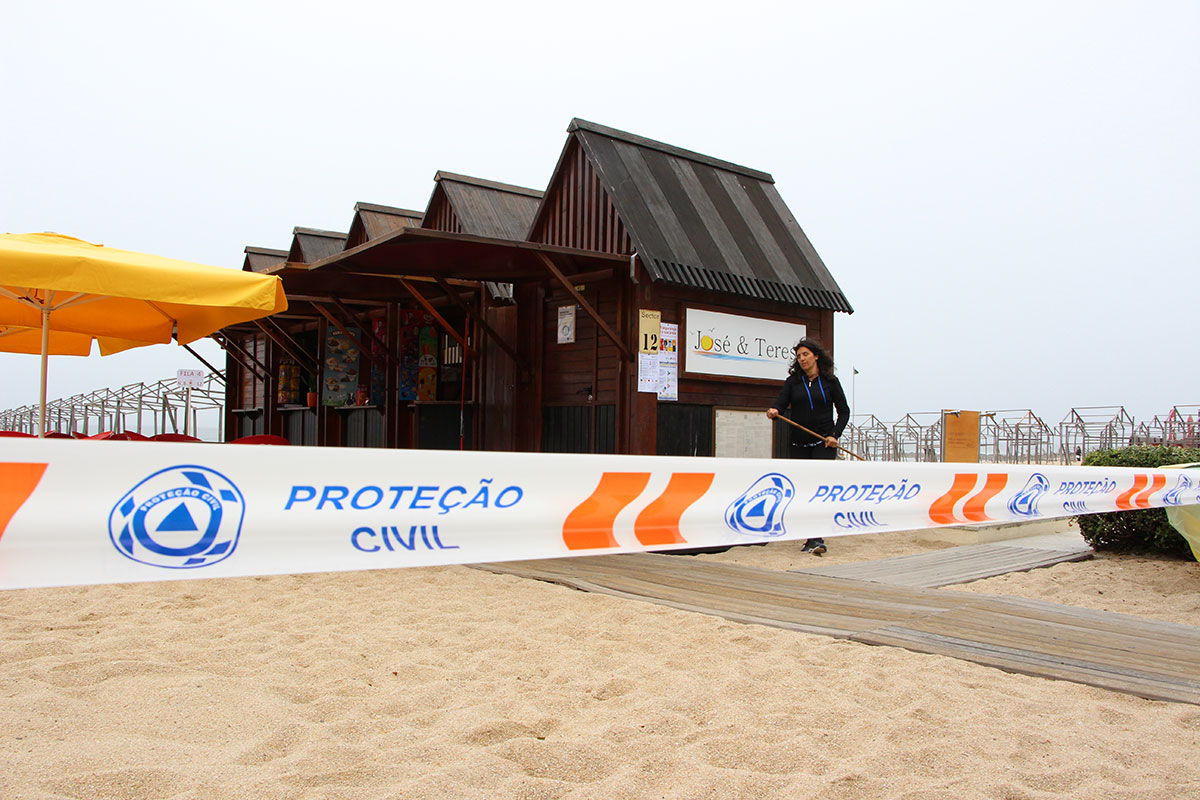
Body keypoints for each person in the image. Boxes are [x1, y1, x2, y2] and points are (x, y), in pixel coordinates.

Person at [766, 337, 850, 555]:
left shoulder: (830, 381)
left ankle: (816, 538)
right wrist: (775, 412)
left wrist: (834, 435)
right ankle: (809, 536)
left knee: (818, 488)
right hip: (799, 442)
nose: (802, 359)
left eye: (805, 354)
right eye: (799, 356)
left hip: (824, 442)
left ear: (816, 356)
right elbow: (780, 405)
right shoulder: (793, 382)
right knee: (803, 489)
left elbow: (844, 411)